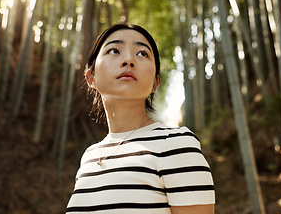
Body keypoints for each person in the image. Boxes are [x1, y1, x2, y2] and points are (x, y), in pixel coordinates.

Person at [66, 23, 215, 214]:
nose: (128, 60)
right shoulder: (89, 157)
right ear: (91, 77)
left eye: (142, 53)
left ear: (155, 83)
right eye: (114, 50)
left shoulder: (176, 145)